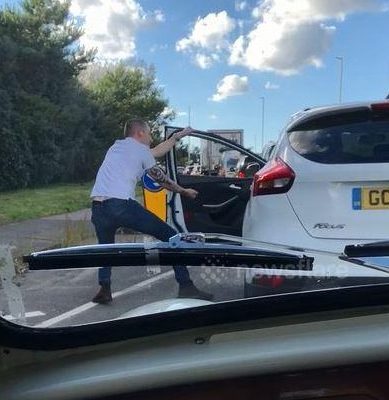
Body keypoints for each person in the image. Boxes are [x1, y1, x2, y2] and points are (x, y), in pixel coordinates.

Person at [90, 119, 213, 304]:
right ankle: (186, 286)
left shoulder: (116, 147)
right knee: (173, 238)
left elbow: (157, 151)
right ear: (139, 133)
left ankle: (104, 289)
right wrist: (183, 191)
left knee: (106, 249)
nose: (151, 137)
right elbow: (161, 179)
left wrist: (176, 137)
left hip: (98, 208)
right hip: (120, 206)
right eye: (148, 133)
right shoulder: (140, 151)